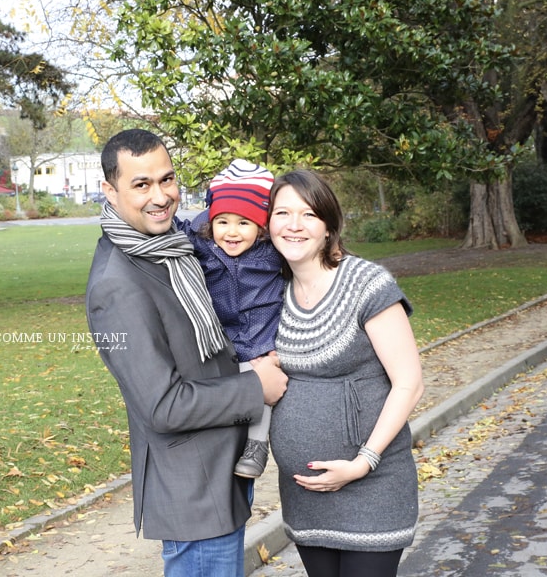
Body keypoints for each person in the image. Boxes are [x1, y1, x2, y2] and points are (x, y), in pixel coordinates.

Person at [85, 129, 288, 577]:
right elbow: (162, 406)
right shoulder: (116, 286)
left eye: (167, 179)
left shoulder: (172, 249)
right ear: (109, 190)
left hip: (221, 472)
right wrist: (259, 387)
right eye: (141, 185)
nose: (161, 197)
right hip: (192, 490)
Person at [267, 169, 425, 577]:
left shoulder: (366, 284)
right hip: (305, 492)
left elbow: (410, 383)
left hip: (371, 483)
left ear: (328, 226)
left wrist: (363, 462)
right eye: (282, 213)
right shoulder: (271, 292)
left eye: (308, 214)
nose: (294, 225)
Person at [176, 159, 284, 478]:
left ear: (261, 226)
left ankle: (257, 445)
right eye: (222, 221)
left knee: (261, 377)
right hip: (222, 338)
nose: (231, 232)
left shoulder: (272, 251)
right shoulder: (204, 246)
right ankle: (228, 441)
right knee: (227, 384)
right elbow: (179, 230)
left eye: (244, 223)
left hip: (262, 338)